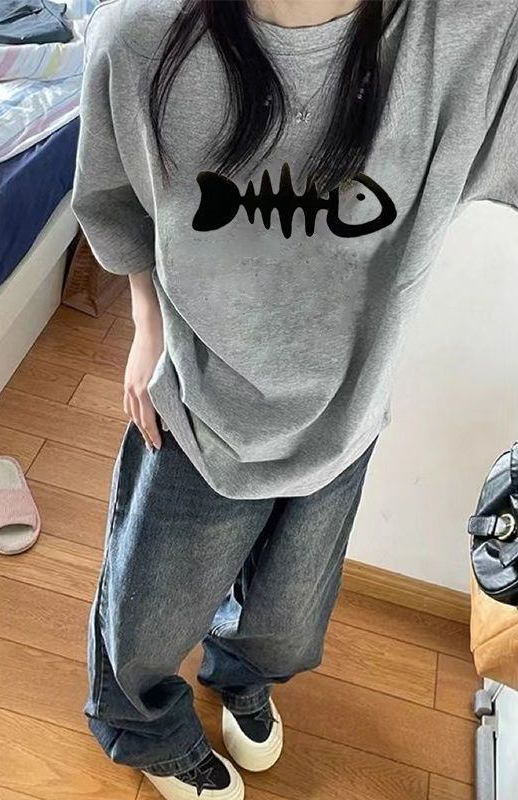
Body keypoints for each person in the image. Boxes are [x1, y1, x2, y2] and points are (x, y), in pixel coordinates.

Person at [71, 0, 518, 797]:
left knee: (286, 621)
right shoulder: (138, 34)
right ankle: (143, 730)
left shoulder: (474, 34)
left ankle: (240, 674)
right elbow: (114, 203)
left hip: (343, 421)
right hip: (196, 409)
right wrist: (145, 324)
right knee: (145, 618)